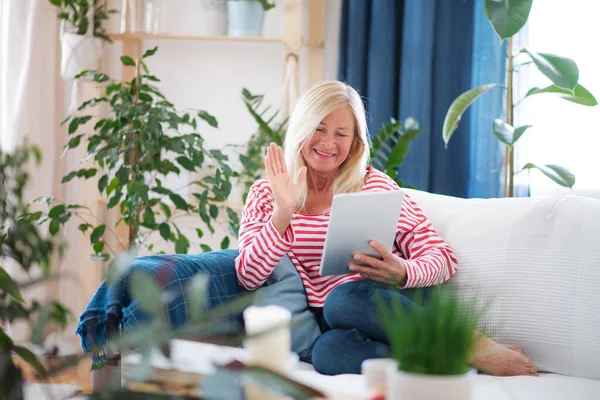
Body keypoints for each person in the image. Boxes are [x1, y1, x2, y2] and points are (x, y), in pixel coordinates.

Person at [234, 80, 538, 376]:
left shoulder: (375, 186)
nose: (328, 143)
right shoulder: (267, 193)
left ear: (355, 143)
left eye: (342, 133)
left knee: (342, 299)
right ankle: (446, 359)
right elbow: (248, 276)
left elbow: (443, 258)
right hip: (336, 322)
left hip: (384, 302)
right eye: (319, 128)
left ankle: (470, 343)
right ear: (301, 128)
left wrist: (403, 271)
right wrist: (283, 211)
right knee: (327, 353)